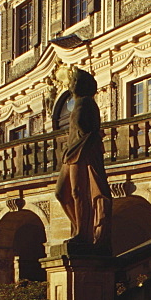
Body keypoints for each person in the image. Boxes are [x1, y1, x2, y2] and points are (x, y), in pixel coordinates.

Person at [54, 67, 112, 251]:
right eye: (73, 81)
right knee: (61, 193)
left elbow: (91, 131)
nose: (73, 84)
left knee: (78, 192)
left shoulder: (87, 103)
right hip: (70, 152)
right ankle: (80, 228)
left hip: (81, 150)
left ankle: (83, 234)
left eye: (76, 81)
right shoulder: (79, 103)